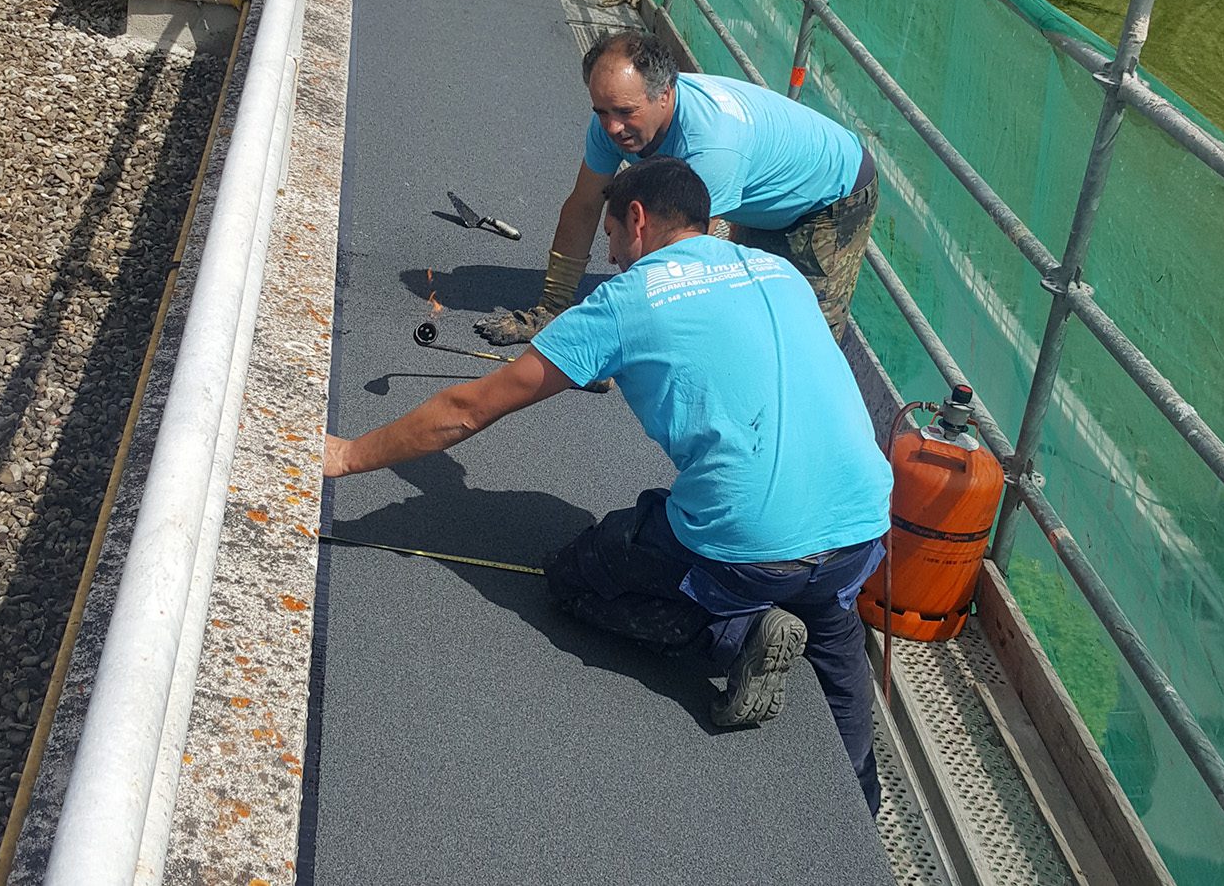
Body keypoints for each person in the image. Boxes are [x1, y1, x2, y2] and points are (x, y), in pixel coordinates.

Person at [324, 158, 892, 812]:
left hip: (750, 546)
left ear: (637, 219)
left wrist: (349, 454)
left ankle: (734, 632)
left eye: (613, 238)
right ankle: (862, 798)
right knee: (835, 634)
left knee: (576, 578)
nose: (614, 257)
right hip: (862, 526)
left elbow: (468, 409)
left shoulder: (625, 301)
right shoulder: (779, 273)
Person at [476, 29, 877, 348]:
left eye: (625, 112)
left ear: (665, 94)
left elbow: (684, 262)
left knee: (801, 340)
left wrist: (610, 344)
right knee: (743, 317)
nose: (612, 127)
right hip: (758, 192)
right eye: (601, 112)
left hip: (828, 198)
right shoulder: (614, 123)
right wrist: (551, 309)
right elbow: (583, 206)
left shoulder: (711, 146)